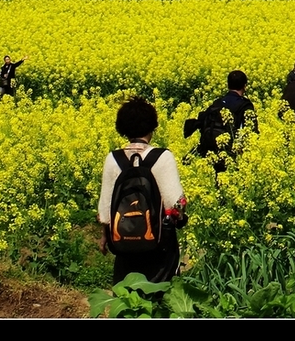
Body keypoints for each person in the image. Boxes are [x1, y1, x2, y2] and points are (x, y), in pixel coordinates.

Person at [98, 97, 187, 284]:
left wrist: (104, 236)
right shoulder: (163, 157)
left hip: (123, 240)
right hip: (159, 244)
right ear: (152, 126)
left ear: (122, 128)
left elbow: (105, 210)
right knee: (160, 292)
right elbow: (175, 203)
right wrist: (180, 217)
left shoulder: (113, 159)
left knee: (126, 291)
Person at [184, 70, 258, 173]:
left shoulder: (217, 103)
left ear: (228, 85)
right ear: (245, 86)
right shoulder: (245, 106)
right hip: (230, 155)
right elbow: (251, 133)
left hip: (208, 152)